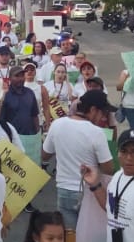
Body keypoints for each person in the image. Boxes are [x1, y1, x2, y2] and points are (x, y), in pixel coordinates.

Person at [43, 90, 115, 229]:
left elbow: (45, 155)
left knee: (69, 236)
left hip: (63, 189)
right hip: (88, 191)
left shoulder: (57, 124)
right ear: (93, 110)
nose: (103, 117)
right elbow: (108, 168)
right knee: (88, 235)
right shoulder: (97, 132)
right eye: (103, 113)